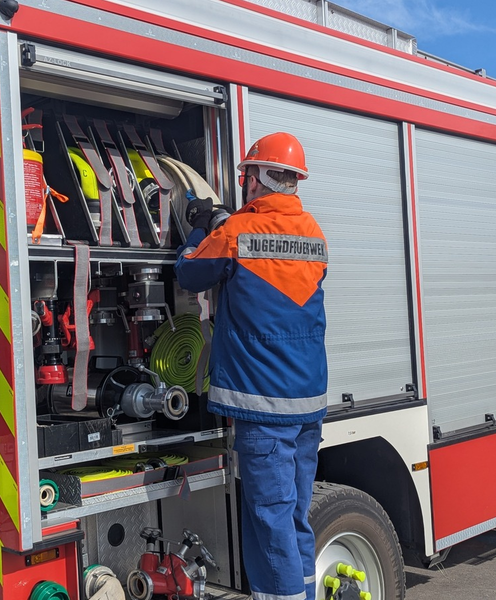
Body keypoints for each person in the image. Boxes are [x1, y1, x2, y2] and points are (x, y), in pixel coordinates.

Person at [175, 132, 328, 600]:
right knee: (293, 519)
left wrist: (202, 226)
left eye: (247, 176)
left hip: (264, 407)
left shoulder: (237, 233)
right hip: (308, 405)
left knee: (270, 522)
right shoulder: (314, 233)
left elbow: (189, 272)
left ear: (256, 178)